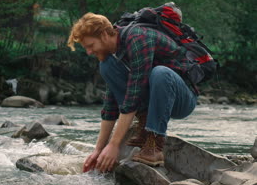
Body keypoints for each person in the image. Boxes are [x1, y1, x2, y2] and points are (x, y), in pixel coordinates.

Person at [67, 12, 197, 173]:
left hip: (182, 99)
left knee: (160, 73)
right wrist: (99, 149)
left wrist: (114, 145)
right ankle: (143, 125)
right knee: (106, 65)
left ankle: (154, 142)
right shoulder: (114, 55)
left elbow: (133, 96)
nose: (88, 52)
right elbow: (110, 105)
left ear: (104, 35)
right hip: (155, 96)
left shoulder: (138, 39)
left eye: (90, 46)